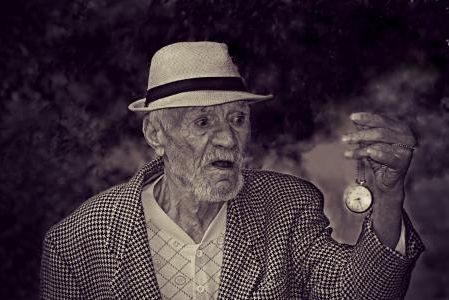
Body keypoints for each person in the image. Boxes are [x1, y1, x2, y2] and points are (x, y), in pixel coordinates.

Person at [40, 41, 424, 299]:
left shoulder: (285, 205)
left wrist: (388, 196)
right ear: (155, 133)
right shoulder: (77, 242)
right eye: (203, 122)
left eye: (238, 119)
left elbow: (355, 293)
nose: (228, 139)